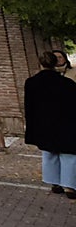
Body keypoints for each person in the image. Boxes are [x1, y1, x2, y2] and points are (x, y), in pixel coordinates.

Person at [24, 50, 76, 199]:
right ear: (55, 64)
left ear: (40, 63)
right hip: (65, 123)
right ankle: (70, 187)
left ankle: (54, 183)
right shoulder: (66, 83)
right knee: (69, 155)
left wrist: (31, 127)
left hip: (43, 124)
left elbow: (29, 106)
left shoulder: (31, 82)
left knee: (49, 153)